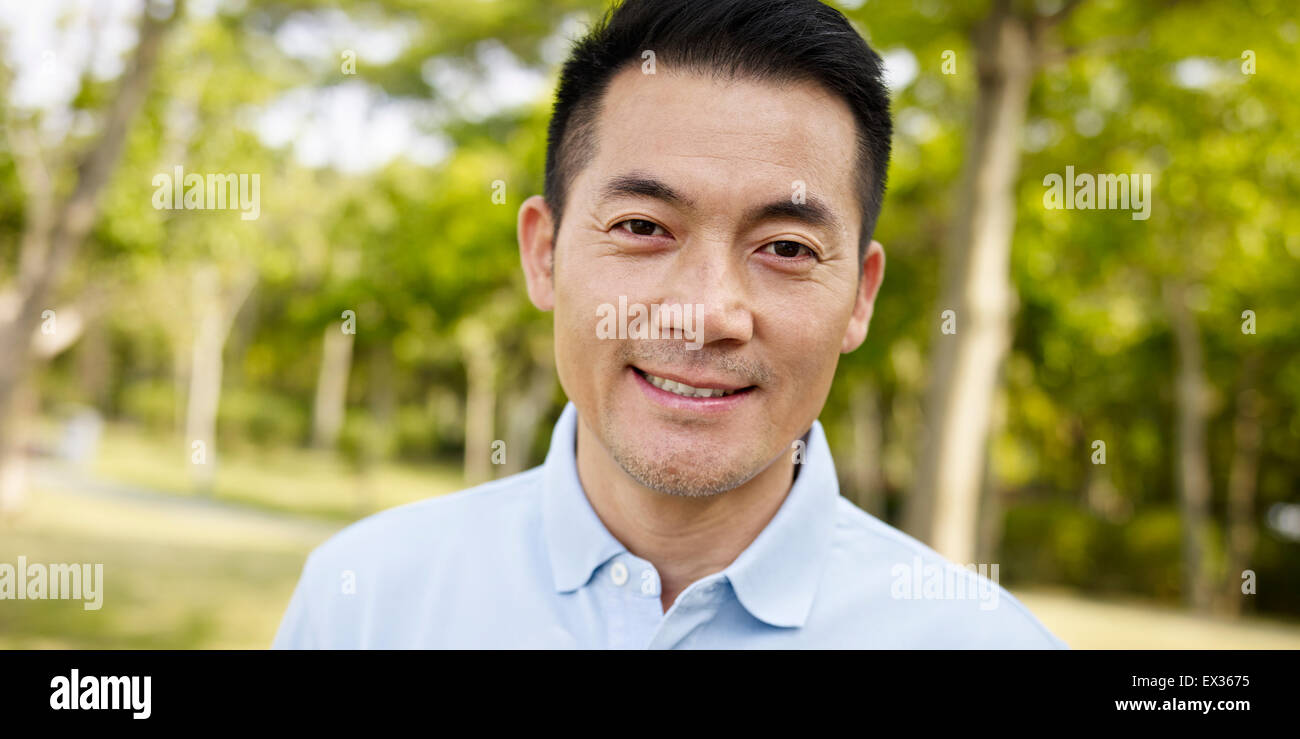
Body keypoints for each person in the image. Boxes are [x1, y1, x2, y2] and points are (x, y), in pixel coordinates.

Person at [274, 0, 1067, 649]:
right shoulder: (367, 601)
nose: (708, 312)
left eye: (786, 246)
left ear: (859, 296)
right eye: (644, 228)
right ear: (544, 254)